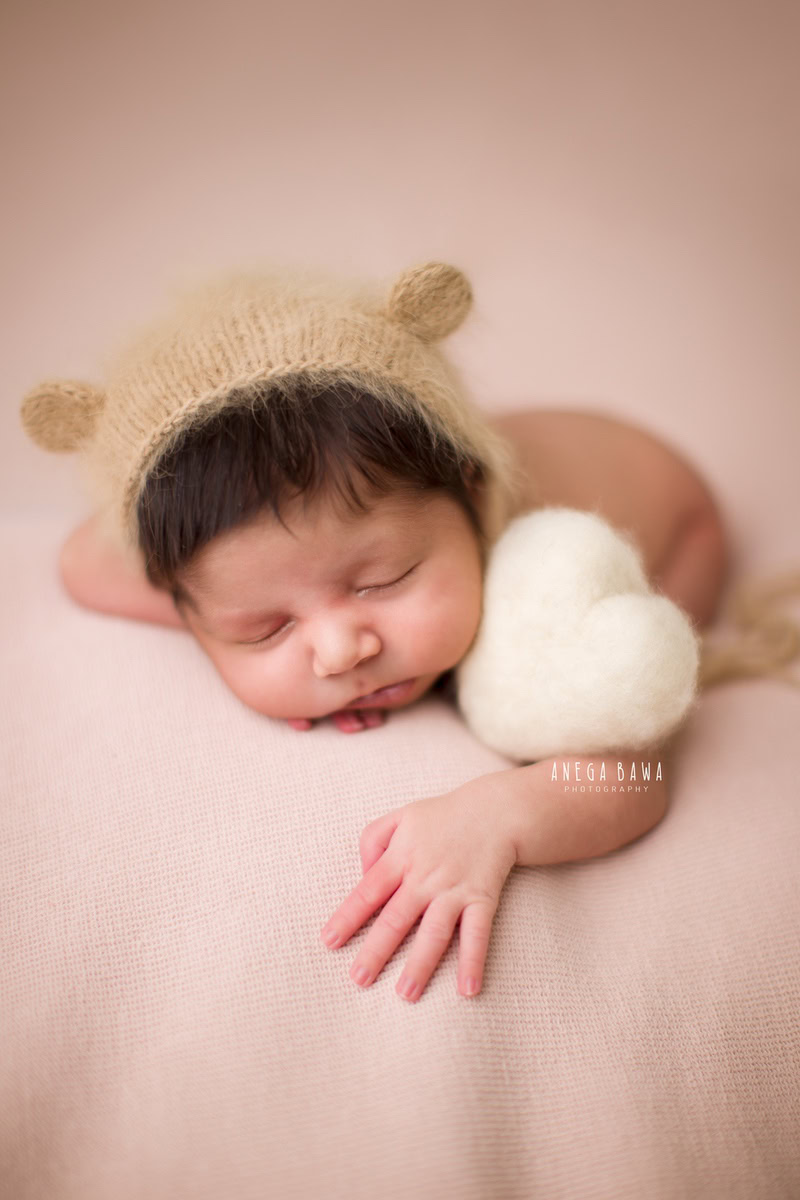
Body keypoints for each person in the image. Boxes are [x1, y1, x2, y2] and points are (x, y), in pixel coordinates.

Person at [19, 261, 781, 1004]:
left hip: (679, 523)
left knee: (631, 668)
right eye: (267, 627)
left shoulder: (536, 576)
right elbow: (84, 561)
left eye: (380, 583)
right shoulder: (246, 570)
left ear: (471, 502)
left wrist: (501, 816)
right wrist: (220, 618)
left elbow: (637, 778)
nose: (338, 651)